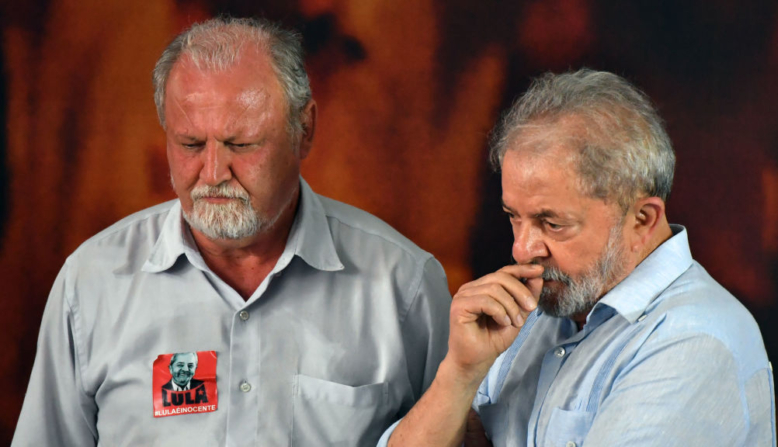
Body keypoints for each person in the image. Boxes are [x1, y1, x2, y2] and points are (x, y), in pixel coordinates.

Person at [13, 17, 451, 446]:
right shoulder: (90, 283)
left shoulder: (404, 284)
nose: (212, 172)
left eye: (240, 145)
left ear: (305, 130)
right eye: (189, 145)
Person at [380, 69, 776, 446]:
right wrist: (460, 373)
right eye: (513, 217)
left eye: (552, 223)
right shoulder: (532, 314)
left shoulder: (695, 342)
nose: (522, 249)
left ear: (642, 219)